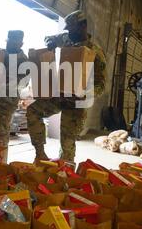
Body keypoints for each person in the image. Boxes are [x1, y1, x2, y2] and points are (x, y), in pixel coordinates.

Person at [27, 10, 106, 164]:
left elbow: (101, 84)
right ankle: (40, 153)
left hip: (77, 101)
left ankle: (66, 172)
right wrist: (50, 42)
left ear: (83, 25)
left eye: (72, 29)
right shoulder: (67, 39)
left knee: (67, 142)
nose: (69, 33)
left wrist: (86, 94)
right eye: (68, 29)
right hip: (59, 95)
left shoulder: (95, 52)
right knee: (33, 111)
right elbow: (49, 38)